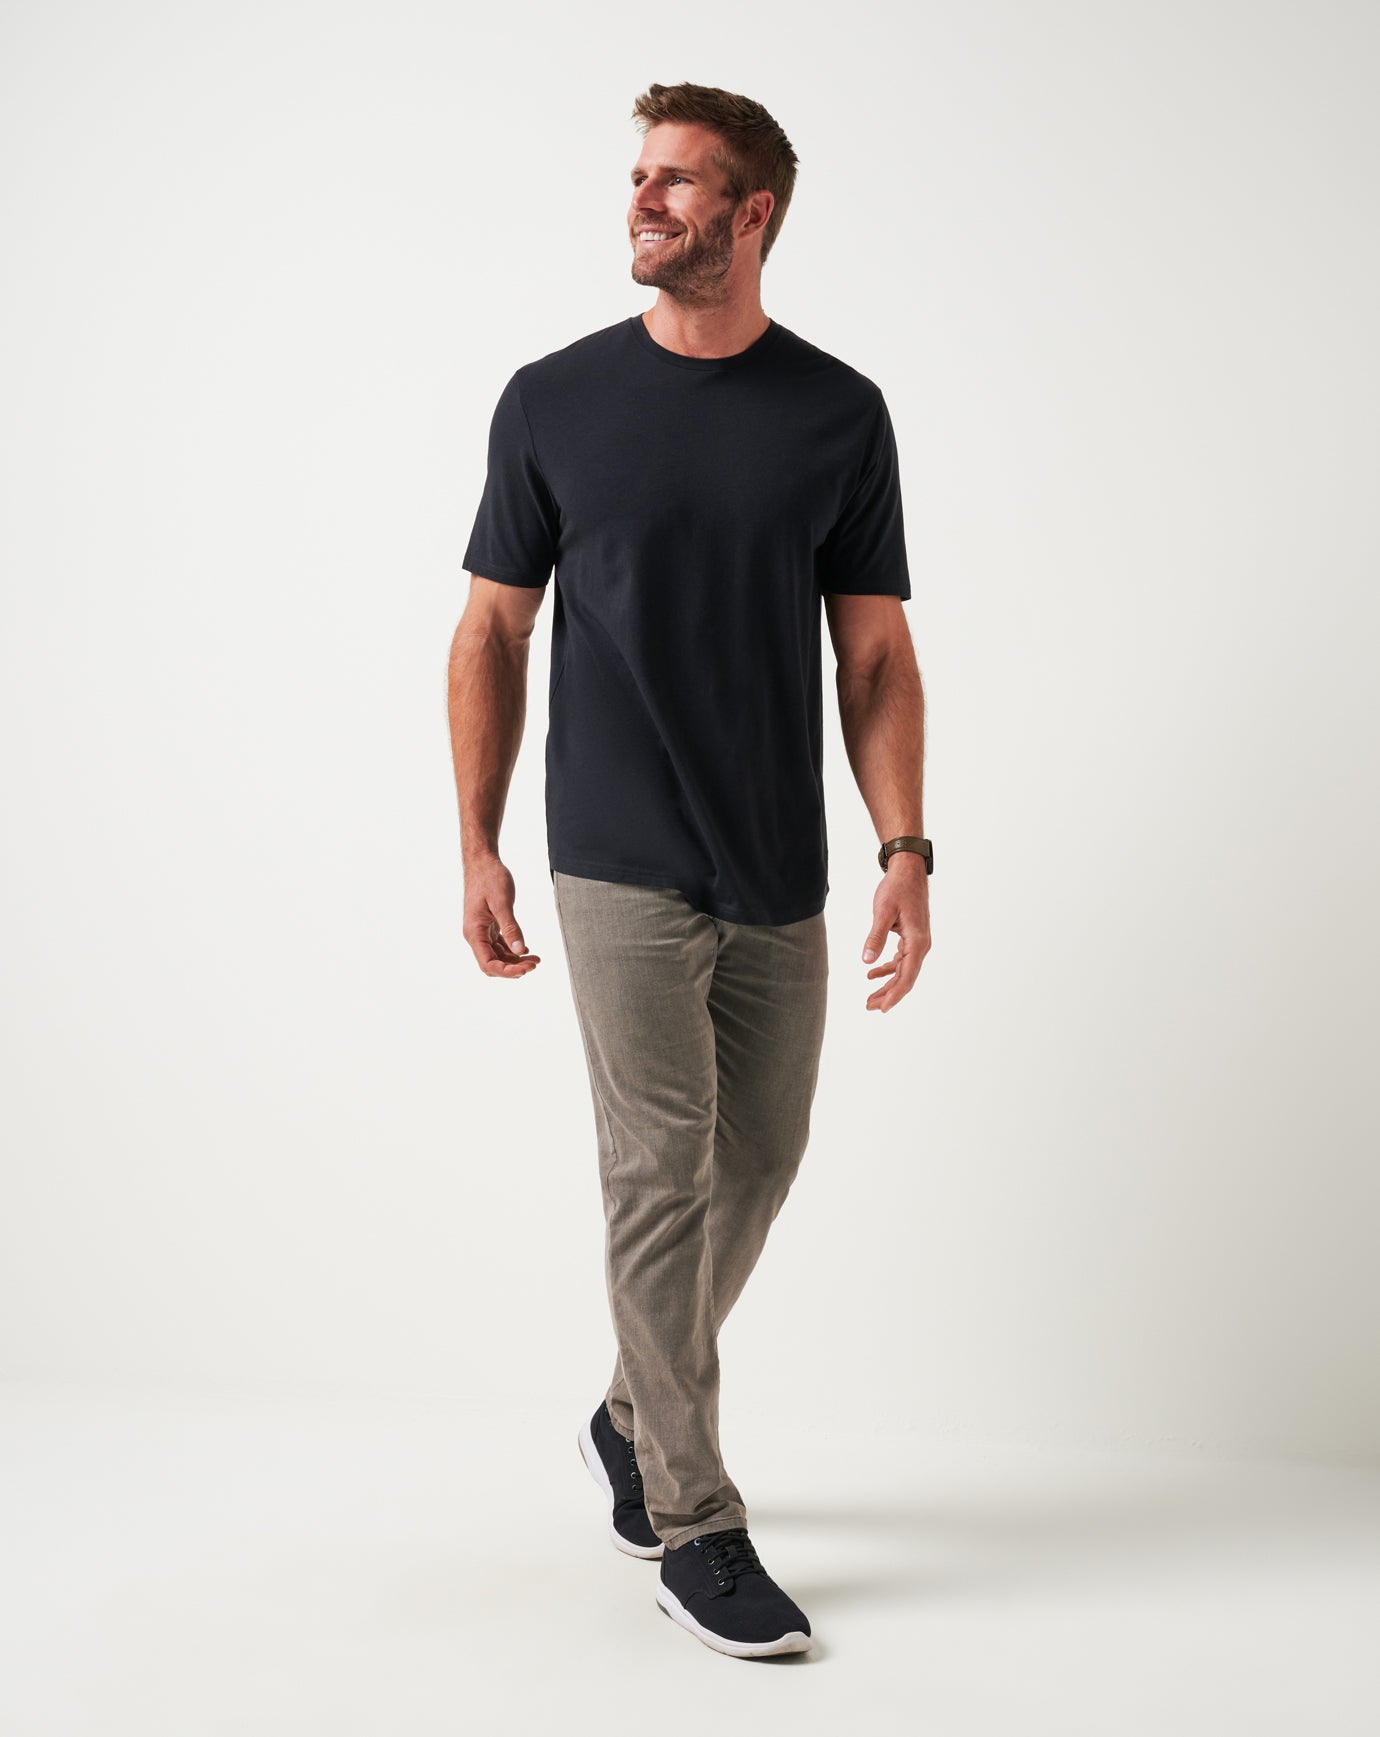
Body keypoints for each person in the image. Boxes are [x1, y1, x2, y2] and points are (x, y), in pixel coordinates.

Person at [447, 80, 931, 1660]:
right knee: (661, 1170)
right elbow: (492, 628)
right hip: (617, 855)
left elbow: (875, 655)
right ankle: (694, 1522)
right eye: (639, 176)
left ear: (754, 213)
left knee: (761, 1159)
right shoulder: (554, 400)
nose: (644, 200)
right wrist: (478, 840)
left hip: (778, 861)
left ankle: (626, 1411)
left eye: (678, 180)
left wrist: (905, 847)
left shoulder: (838, 414)